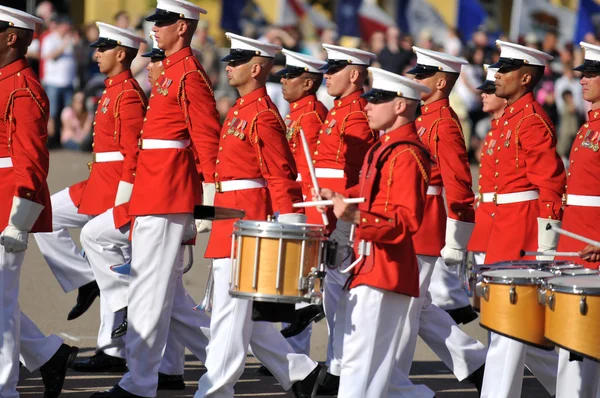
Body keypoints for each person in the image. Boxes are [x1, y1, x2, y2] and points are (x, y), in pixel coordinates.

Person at [90, 1, 221, 396]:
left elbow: (206, 139)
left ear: (182, 27)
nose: (155, 30)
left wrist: (209, 202)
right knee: (168, 299)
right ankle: (289, 366)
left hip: (168, 194)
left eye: (163, 23)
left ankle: (139, 383)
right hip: (154, 192)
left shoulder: (188, 75)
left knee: (149, 292)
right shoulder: (172, 73)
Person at [195, 31, 325, 398]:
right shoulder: (241, 109)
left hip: (247, 226)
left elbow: (280, 177)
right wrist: (205, 213)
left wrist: (289, 229)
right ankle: (302, 373)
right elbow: (229, 174)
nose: (229, 67)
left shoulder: (262, 115)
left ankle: (214, 390)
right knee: (247, 319)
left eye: (235, 62)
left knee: (229, 318)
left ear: (255, 68)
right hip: (230, 221)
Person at [33, 22, 147, 374]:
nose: (95, 53)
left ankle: (113, 350)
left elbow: (133, 155)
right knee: (43, 216)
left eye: (103, 48)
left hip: (114, 189)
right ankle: (85, 279)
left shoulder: (128, 94)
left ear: (122, 54)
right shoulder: (112, 89)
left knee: (114, 266)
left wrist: (125, 196)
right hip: (96, 183)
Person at [317, 66, 436, 397]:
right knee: (373, 369)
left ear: (400, 105)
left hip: (384, 268)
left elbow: (405, 221)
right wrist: (339, 197)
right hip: (372, 266)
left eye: (377, 100)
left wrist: (354, 216)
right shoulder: (385, 148)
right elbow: (372, 195)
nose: (366, 106)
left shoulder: (408, 154)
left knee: (360, 363)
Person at [288, 43, 378, 395]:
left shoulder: (355, 113)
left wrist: (343, 215)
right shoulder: (342, 110)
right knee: (334, 297)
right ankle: (337, 367)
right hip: (325, 207)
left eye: (334, 69)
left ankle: (340, 370)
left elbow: (356, 174)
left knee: (341, 295)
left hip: (339, 212)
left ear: (354, 74)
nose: (326, 75)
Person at [480, 40, 566, 398]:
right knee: (512, 334)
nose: (497, 76)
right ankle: (577, 389)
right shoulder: (509, 119)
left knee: (508, 332)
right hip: (501, 230)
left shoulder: (531, 121)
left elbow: (550, 185)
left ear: (526, 78)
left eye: (505, 70)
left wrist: (546, 242)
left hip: (522, 234)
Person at [0, 5, 78, 397]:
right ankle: (48, 355)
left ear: (11, 37)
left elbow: (31, 161)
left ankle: (5, 387)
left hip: (8, 204)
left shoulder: (23, 88)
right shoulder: (4, 81)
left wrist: (19, 219)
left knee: (0, 300)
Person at [406, 47, 478, 324]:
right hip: (413, 213)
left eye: (423, 75)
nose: (416, 79)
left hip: (426, 217)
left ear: (440, 82)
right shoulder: (424, 117)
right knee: (418, 306)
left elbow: (458, 183)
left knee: (410, 306)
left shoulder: (444, 123)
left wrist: (456, 240)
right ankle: (473, 363)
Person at [272, 49, 328, 360]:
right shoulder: (298, 113)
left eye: (290, 75)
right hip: (293, 200)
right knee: (290, 279)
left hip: (304, 204)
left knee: (302, 281)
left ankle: (296, 353)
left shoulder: (312, 115)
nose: (283, 79)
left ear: (307, 83)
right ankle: (291, 351)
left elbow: (310, 168)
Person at [554, 41, 600, 397]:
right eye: (582, 74)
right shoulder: (588, 128)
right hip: (574, 244)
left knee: (585, 344)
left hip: (592, 246)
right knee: (571, 346)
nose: (582, 80)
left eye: (592, 75)